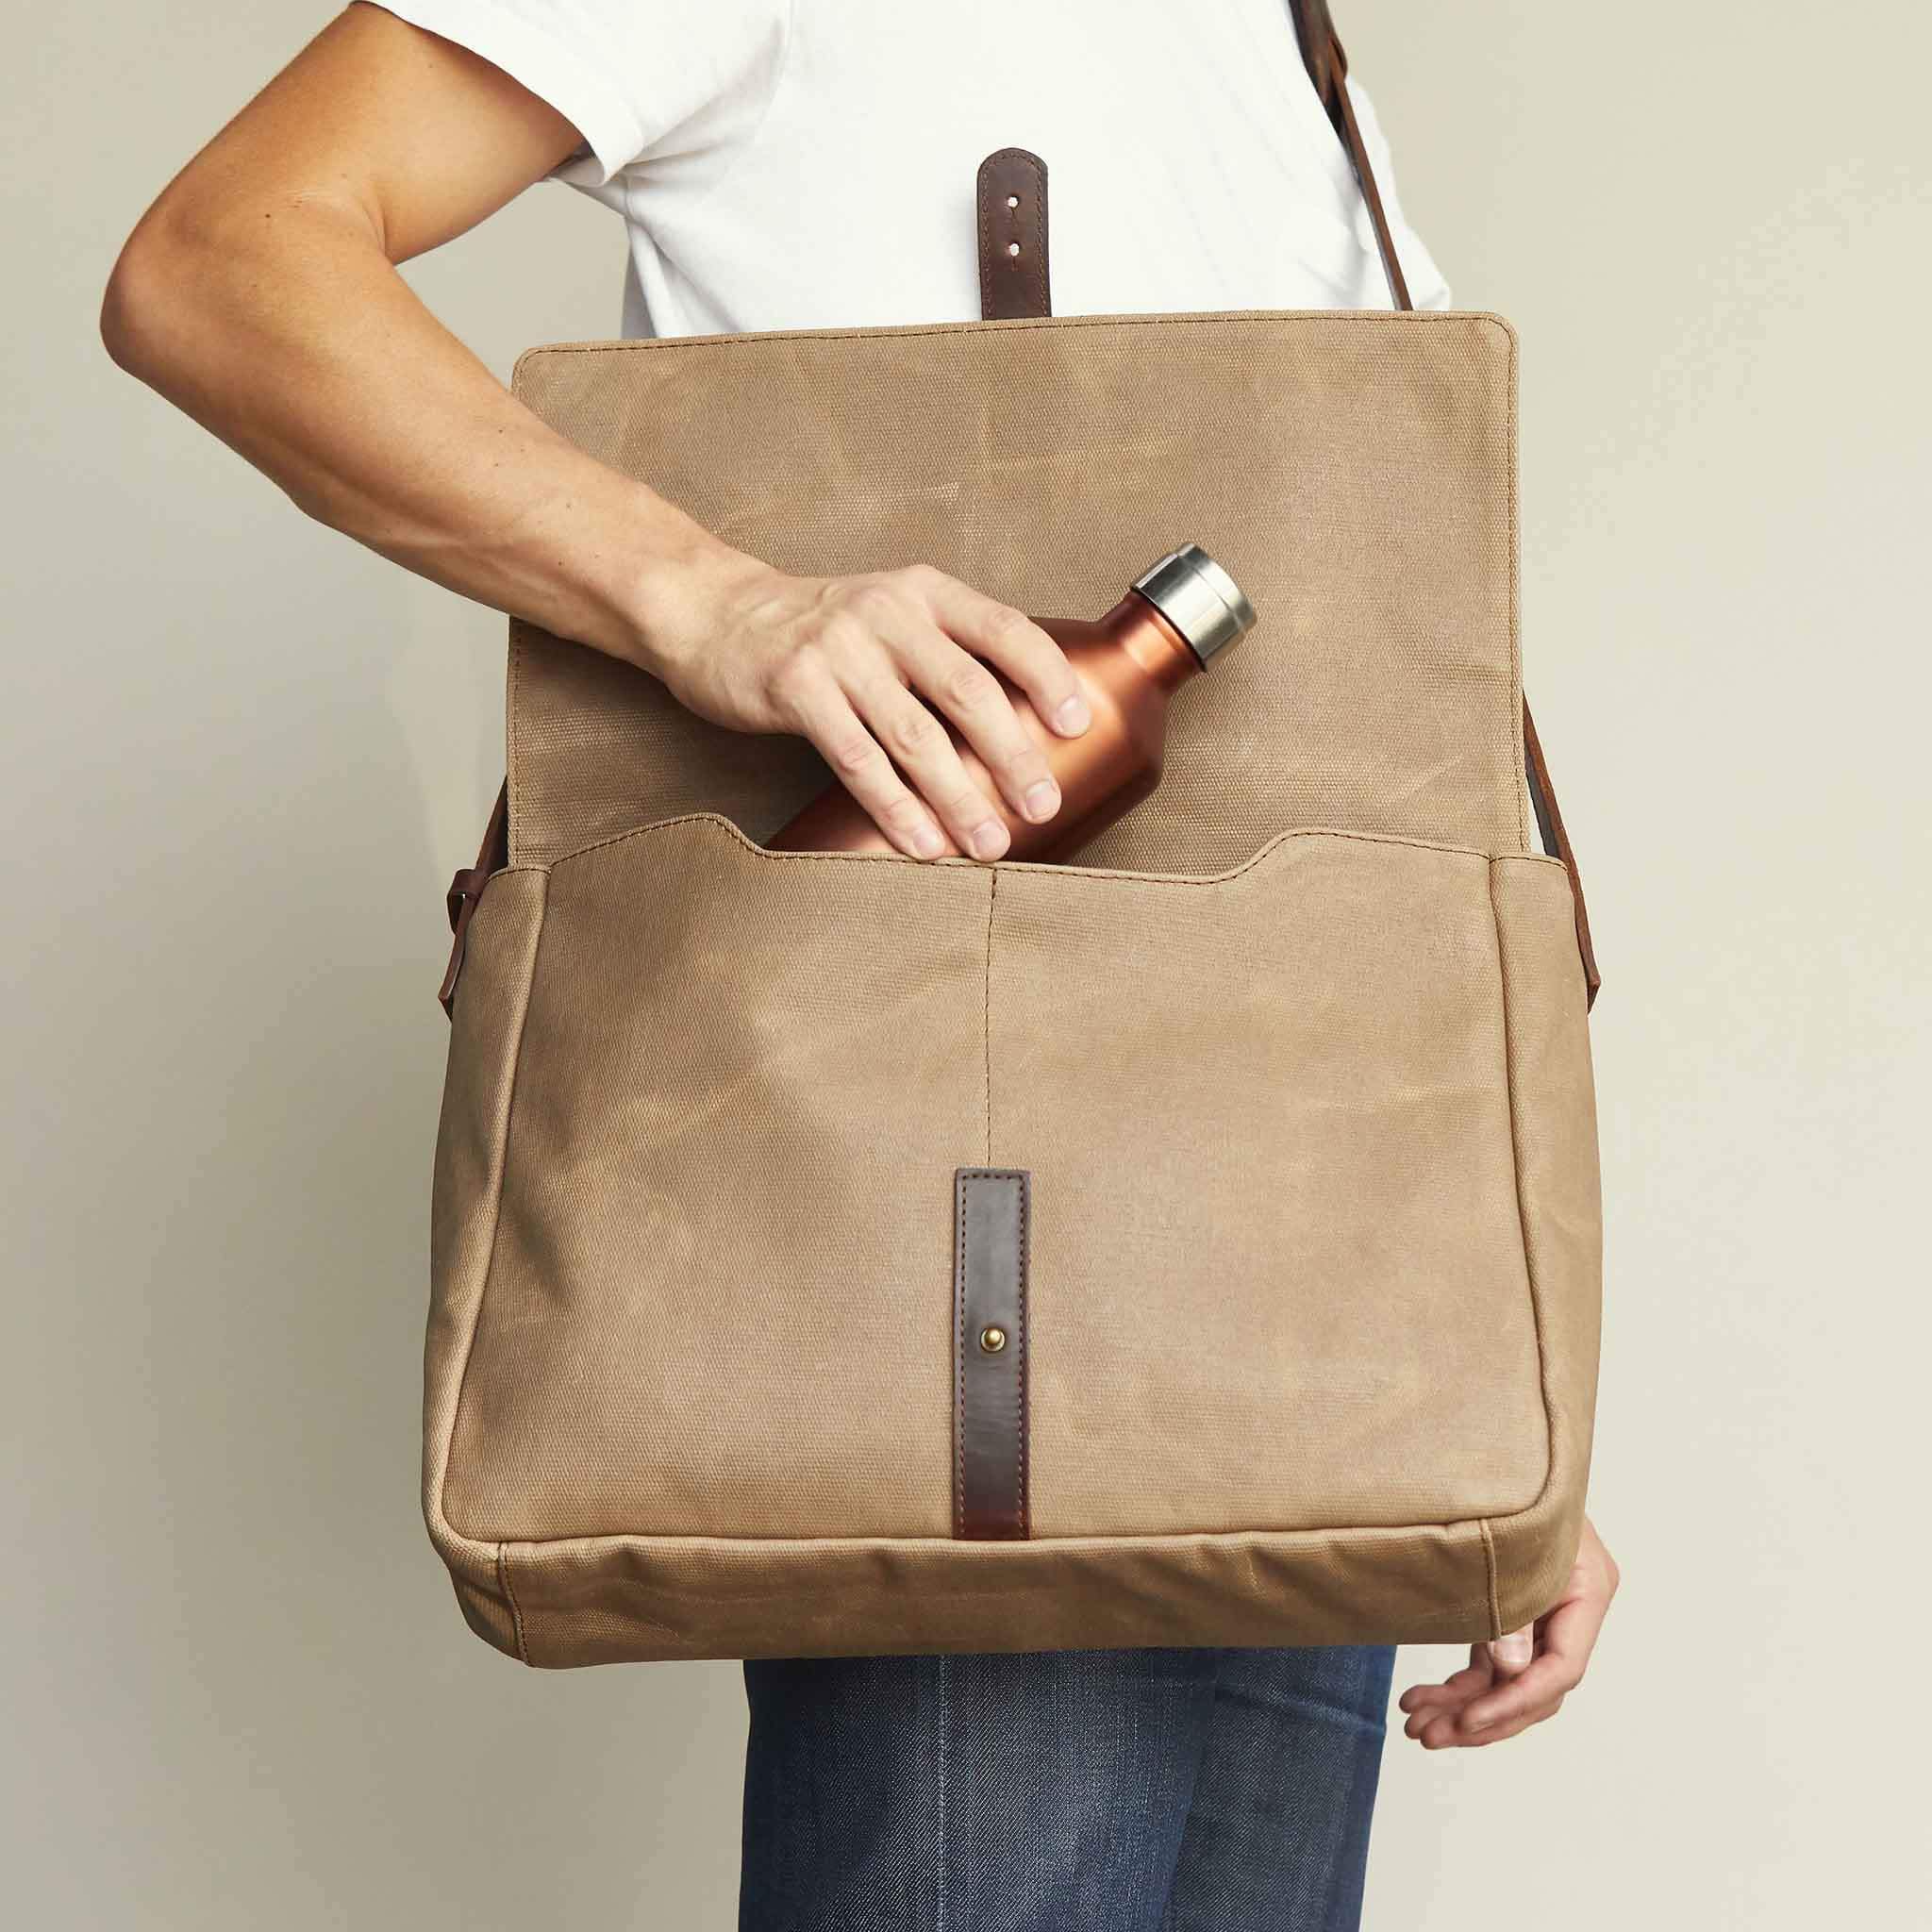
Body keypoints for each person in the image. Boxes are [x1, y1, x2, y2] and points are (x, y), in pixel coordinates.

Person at [100, 5, 1621, 1925]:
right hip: (946, 1251)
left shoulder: (1281, 44)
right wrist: (709, 601)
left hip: (1300, 1329)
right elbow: (218, 262)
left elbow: (1370, 822)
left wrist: (1509, 1401)